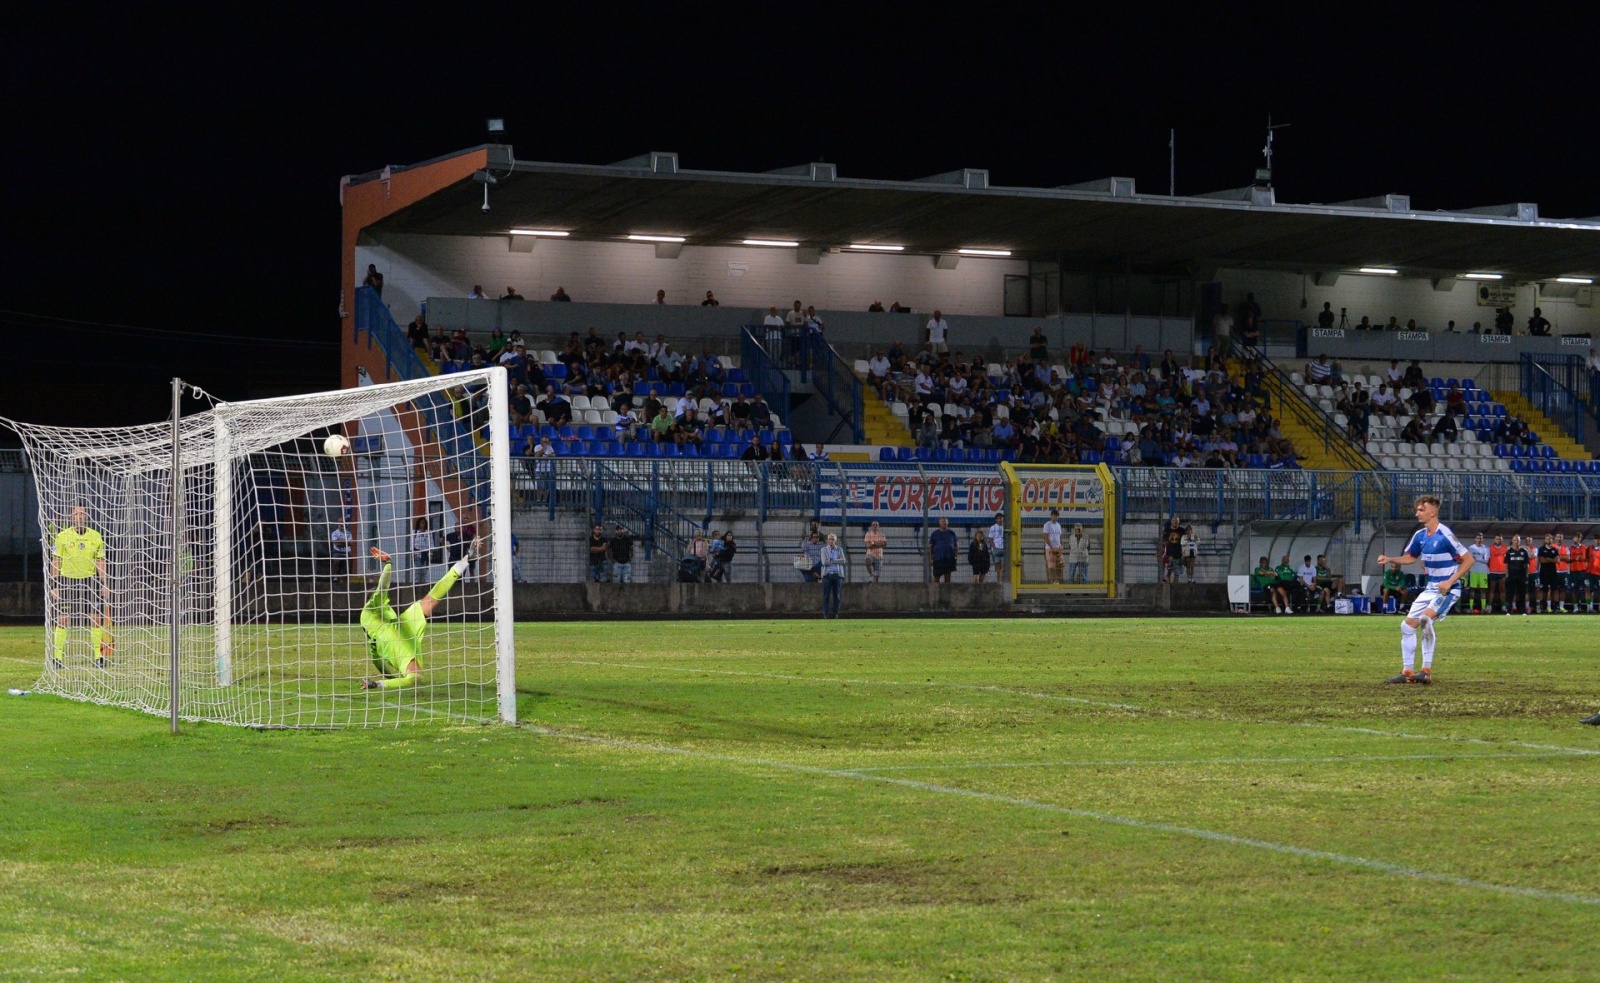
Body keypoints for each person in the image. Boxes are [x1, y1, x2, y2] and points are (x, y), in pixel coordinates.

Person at [358, 538, 478, 690]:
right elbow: (383, 586)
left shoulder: (370, 634)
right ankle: (379, 685)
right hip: (392, 637)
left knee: (432, 597)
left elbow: (377, 661)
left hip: (398, 628)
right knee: (415, 678)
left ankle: (467, 559)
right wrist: (388, 562)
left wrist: (392, 679)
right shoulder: (371, 606)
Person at [1378, 495, 1472, 684]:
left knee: (1425, 619)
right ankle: (1407, 672)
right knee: (1406, 626)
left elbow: (1469, 560)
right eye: (1417, 510)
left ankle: (1426, 670)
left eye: (1421, 510)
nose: (1417, 513)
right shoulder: (1420, 535)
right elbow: (1410, 558)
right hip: (1430, 588)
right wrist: (1390, 559)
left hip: (1448, 589)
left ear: (1433, 511)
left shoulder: (1445, 534)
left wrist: (1449, 581)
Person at [48, 504, 112, 668]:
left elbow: (100, 561)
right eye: (76, 514)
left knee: (96, 619)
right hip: (67, 581)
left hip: (89, 581)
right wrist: (54, 585)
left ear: (87, 517)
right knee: (63, 619)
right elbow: (56, 561)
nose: (80, 516)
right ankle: (57, 658)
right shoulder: (62, 536)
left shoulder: (96, 536)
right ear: (71, 517)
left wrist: (104, 584)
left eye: (83, 513)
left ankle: (98, 658)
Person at [819, 533, 846, 618]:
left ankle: (836, 614)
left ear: (835, 540)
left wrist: (832, 559)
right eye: (830, 539)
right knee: (826, 596)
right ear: (827, 540)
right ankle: (825, 614)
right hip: (827, 575)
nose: (831, 541)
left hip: (837, 575)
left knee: (837, 596)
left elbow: (843, 561)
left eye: (833, 539)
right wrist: (836, 560)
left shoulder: (839, 549)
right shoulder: (823, 550)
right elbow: (824, 562)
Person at [1505, 534, 1531, 615]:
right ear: (1512, 541)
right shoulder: (1509, 552)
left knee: (1522, 594)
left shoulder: (1524, 551)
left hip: (1522, 576)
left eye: (1518, 540)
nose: (1516, 542)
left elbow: (1527, 564)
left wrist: (1526, 575)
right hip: (1512, 576)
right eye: (1515, 540)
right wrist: (1507, 575)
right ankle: (1509, 610)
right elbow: (1506, 564)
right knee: (1510, 594)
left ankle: (1522, 610)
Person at [1466, 532, 1491, 613]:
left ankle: (1483, 608)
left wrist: (1476, 558)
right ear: (1475, 539)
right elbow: (1469, 559)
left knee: (1483, 590)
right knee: (1472, 589)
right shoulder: (1471, 548)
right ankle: (1471, 608)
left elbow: (1486, 561)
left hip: (1483, 571)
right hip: (1473, 570)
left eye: (1480, 538)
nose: (1479, 540)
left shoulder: (1486, 548)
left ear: (1482, 539)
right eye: (1478, 538)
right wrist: (1479, 559)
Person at [928, 518, 959, 584]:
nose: (944, 523)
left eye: (945, 521)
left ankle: (947, 593)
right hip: (938, 559)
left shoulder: (952, 533)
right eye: (942, 521)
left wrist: (955, 556)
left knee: (947, 578)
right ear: (939, 523)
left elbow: (957, 546)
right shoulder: (935, 534)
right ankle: (934, 593)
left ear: (947, 523)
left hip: (948, 559)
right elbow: (930, 547)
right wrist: (931, 558)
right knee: (936, 578)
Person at [1042, 508, 1065, 584]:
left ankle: (1057, 581)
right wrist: (1051, 547)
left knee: (1060, 565)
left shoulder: (1058, 525)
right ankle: (1051, 582)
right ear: (1051, 516)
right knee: (1051, 566)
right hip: (1049, 548)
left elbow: (1059, 536)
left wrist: (1061, 545)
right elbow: (1045, 537)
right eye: (1054, 515)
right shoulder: (1047, 524)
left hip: (1058, 548)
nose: (1055, 517)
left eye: (1056, 515)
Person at [409, 517, 435, 583]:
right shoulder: (414, 532)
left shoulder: (428, 533)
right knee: (417, 571)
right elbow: (412, 543)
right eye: (421, 523)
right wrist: (412, 552)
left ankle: (426, 584)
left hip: (426, 553)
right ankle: (416, 584)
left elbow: (431, 543)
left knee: (425, 571)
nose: (422, 525)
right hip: (417, 553)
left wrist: (431, 553)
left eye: (423, 523)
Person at [1161, 516, 1185, 584]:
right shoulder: (1167, 530)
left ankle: (1175, 590)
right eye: (1174, 520)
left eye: (1176, 520)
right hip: (1169, 555)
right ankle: (1167, 588)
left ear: (1178, 522)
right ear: (1171, 521)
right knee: (1168, 573)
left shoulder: (1182, 530)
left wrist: (1183, 554)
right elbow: (1164, 542)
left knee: (1177, 575)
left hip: (1178, 555)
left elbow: (1185, 543)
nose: (1175, 522)